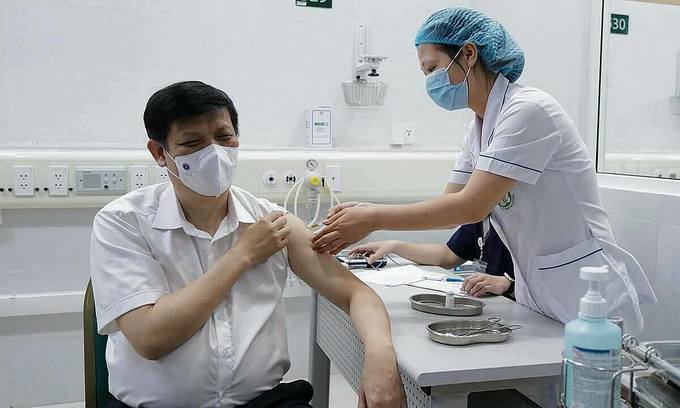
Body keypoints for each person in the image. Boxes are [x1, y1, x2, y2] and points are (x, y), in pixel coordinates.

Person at [312, 7, 657, 334]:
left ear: (468, 54)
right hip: (542, 296)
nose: (430, 82)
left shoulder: (529, 111)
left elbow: (471, 207)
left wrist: (373, 218)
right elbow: (451, 208)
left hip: (589, 295)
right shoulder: (479, 128)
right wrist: (366, 214)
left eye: (433, 69)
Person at [89, 81, 406, 408]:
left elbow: (357, 294)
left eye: (224, 137)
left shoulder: (270, 221)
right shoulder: (123, 222)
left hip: (265, 402)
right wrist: (241, 255)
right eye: (192, 143)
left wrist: (380, 353)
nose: (213, 152)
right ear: (160, 153)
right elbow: (150, 338)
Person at [349, 222, 516, 298]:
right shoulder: (485, 216)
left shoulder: (530, 220)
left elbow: (542, 278)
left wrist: (509, 284)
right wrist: (395, 246)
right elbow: (447, 255)